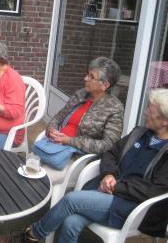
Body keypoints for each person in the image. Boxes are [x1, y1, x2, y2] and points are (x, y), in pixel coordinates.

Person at [26, 88, 168, 243]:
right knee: (71, 222)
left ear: (165, 120)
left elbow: (154, 190)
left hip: (134, 207)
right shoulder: (139, 134)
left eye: (150, 109)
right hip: (108, 190)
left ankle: (34, 233)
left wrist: (116, 186)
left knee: (71, 200)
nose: (145, 112)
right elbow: (110, 153)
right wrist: (109, 174)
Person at [32, 57, 124, 183]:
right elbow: (58, 117)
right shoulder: (81, 94)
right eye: (87, 74)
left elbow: (108, 145)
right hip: (52, 147)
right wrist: (52, 129)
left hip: (76, 158)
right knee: (25, 169)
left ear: (105, 85)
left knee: (38, 180)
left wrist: (70, 141)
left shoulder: (114, 108)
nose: (85, 78)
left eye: (91, 77)